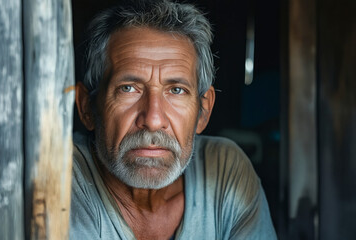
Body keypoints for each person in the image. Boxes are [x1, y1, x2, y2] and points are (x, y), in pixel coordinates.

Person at [70, 0, 277, 239]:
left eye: (176, 90)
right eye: (128, 88)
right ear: (87, 107)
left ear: (203, 111)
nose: (154, 119)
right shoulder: (58, 177)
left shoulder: (224, 171)